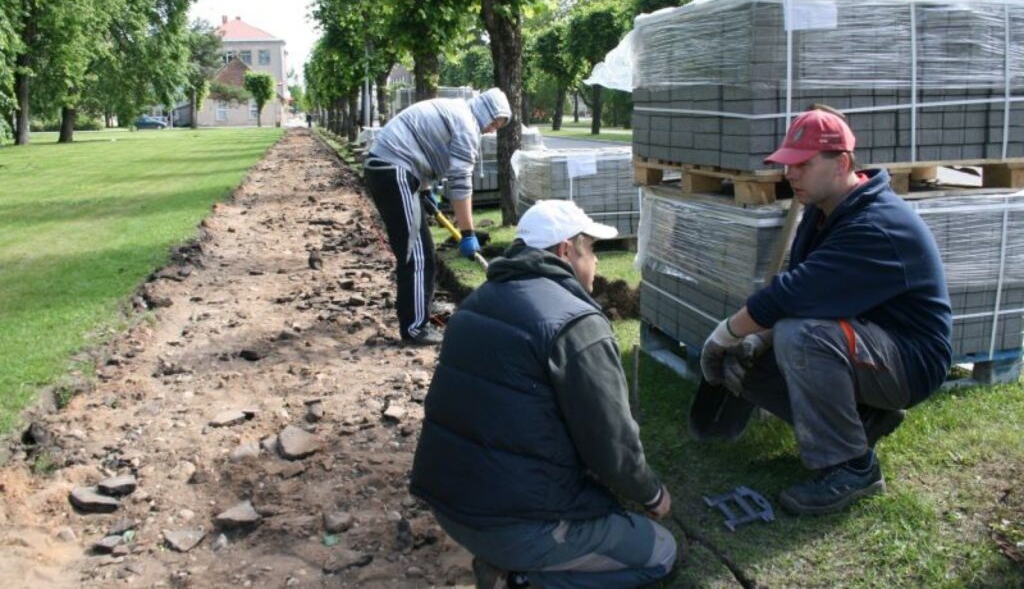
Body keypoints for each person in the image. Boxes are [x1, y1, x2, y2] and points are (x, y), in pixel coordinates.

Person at [696, 107, 953, 516]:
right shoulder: (822, 213)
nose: (790, 174)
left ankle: (852, 467)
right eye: (787, 164)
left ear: (843, 164)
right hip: (870, 343)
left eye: (802, 163)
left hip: (911, 359)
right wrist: (750, 340)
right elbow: (803, 288)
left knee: (802, 335)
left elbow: (794, 295)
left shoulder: (877, 224)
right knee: (749, 358)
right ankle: (865, 422)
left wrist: (725, 332)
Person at [410, 200, 678, 589]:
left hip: (450, 509)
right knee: (661, 553)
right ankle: (520, 579)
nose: (598, 264)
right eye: (593, 251)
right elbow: (611, 444)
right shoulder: (576, 323)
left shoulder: (477, 304)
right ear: (567, 250)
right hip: (512, 527)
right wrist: (652, 494)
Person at [363, 88, 510, 346]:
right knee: (416, 254)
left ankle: (420, 311)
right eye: (494, 124)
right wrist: (468, 233)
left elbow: (423, 144)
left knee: (423, 250)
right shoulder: (467, 125)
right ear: (488, 113)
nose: (492, 131)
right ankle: (414, 328)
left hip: (395, 169)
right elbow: (461, 183)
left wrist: (425, 189)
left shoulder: (459, 111)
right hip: (393, 169)